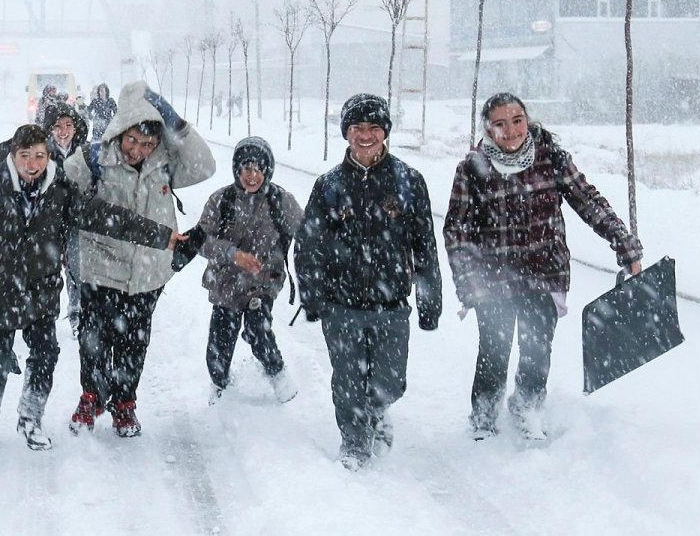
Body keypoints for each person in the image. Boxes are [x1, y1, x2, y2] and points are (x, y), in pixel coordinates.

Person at [0, 124, 185, 450]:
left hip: (41, 291)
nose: (32, 163)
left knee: (44, 355)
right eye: (25, 155)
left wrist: (161, 235)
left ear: (47, 156)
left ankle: (31, 418)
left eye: (39, 155)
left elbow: (105, 217)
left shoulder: (60, 191)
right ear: (13, 155)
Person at [443, 92, 643, 442]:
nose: (511, 130)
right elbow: (456, 232)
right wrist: (468, 282)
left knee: (536, 349)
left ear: (527, 119)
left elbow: (588, 201)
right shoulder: (472, 169)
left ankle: (527, 411)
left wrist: (625, 244)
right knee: (494, 349)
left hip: (544, 273)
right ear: (487, 129)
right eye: (500, 124)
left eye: (517, 120)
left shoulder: (551, 158)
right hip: (494, 281)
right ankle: (484, 419)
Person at [294, 93, 441, 471]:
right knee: (347, 381)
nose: (365, 135)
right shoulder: (328, 185)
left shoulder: (409, 181)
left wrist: (429, 300)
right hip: (340, 305)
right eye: (357, 127)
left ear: (385, 132)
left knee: (391, 381)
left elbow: (424, 245)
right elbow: (309, 244)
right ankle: (354, 443)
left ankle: (378, 409)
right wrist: (312, 296)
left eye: (374, 127)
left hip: (391, 305)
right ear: (346, 133)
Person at [64, 81, 215, 437]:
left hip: (148, 272)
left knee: (134, 341)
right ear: (120, 131)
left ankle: (124, 403)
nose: (138, 150)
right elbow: (61, 193)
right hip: (100, 267)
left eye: (148, 143)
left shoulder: (164, 164)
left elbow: (204, 166)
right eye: (133, 140)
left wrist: (177, 124)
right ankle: (91, 395)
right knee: (94, 338)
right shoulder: (93, 159)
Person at [193, 136, 303, 405]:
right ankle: (220, 387)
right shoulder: (222, 200)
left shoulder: (281, 201)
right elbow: (200, 240)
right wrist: (232, 254)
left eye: (259, 169)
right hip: (226, 285)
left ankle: (277, 374)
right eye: (246, 169)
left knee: (257, 328)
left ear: (268, 170)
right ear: (236, 170)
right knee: (219, 345)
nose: (252, 176)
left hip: (262, 283)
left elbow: (309, 234)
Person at [42, 102, 90, 336]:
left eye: (68, 125)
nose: (63, 131)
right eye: (58, 126)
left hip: (75, 221)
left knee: (75, 267)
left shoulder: (84, 153)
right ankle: (46, 315)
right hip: (48, 223)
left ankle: (76, 311)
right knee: (48, 269)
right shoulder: (42, 153)